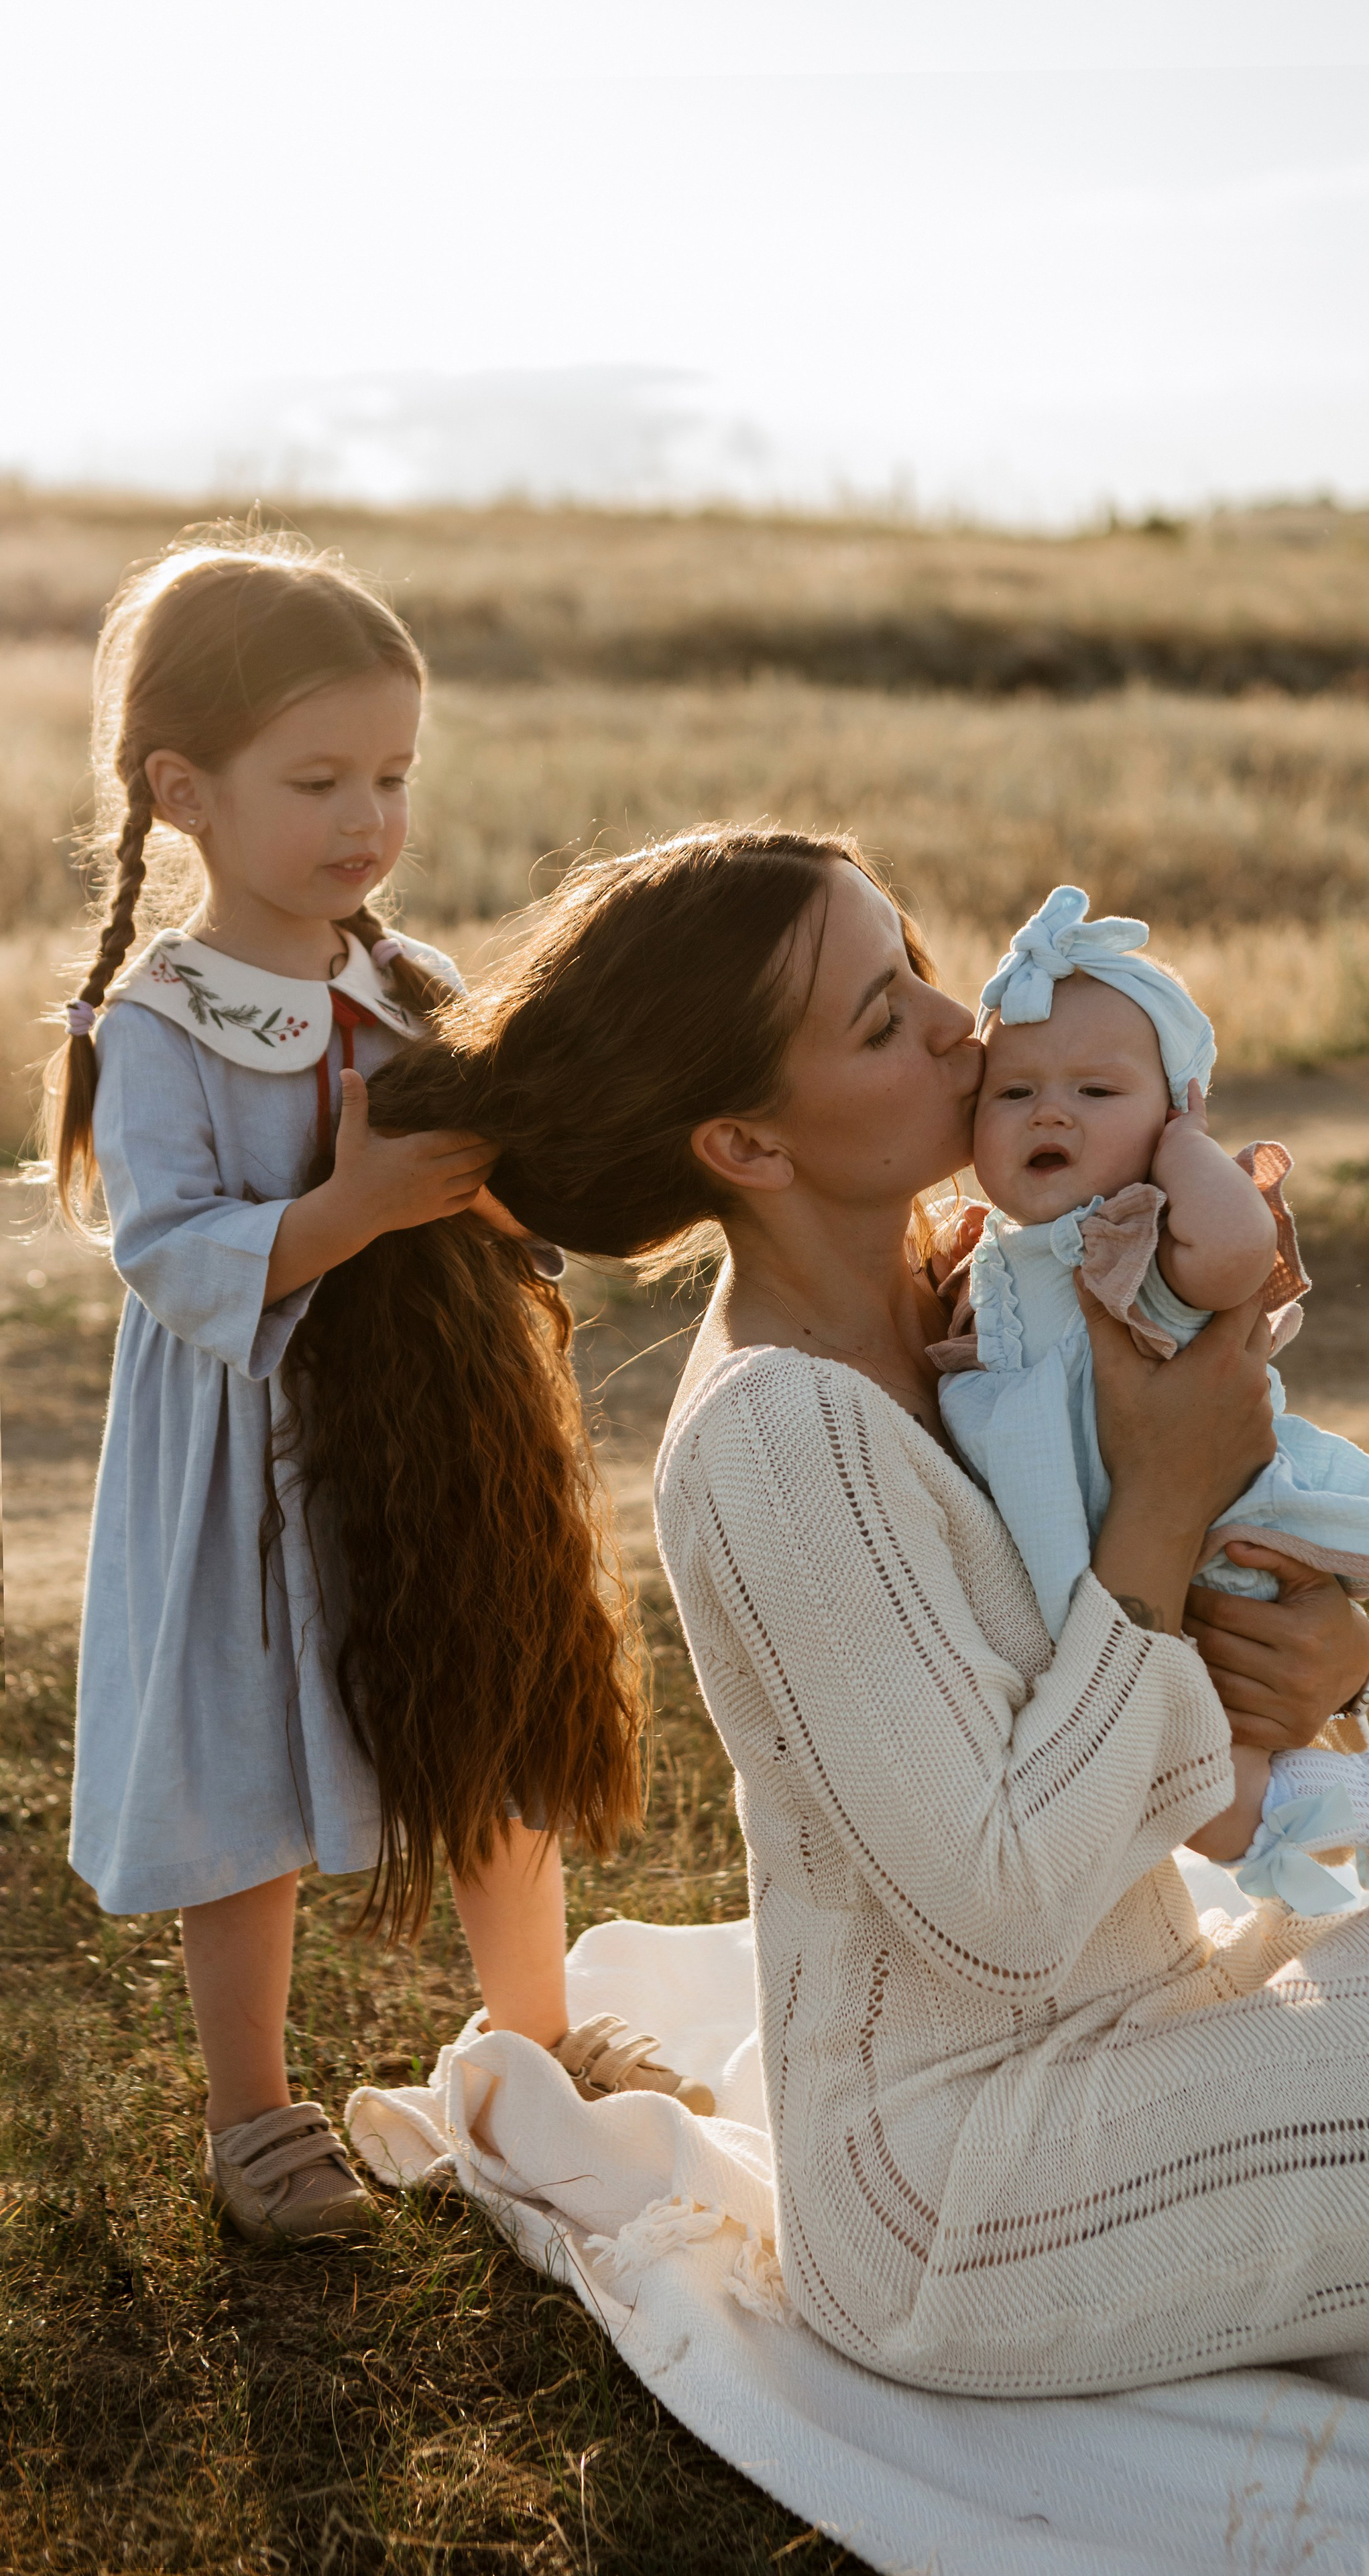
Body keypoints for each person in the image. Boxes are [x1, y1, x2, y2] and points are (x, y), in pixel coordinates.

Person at [344, 825, 1369, 2550]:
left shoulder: (975, 1315)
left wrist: (1319, 1666)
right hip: (969, 2192)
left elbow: (1171, 1672)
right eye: (876, 1018)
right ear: (744, 1142)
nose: (953, 1021)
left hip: (1138, 2012)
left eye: (915, 961)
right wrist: (1154, 1505)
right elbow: (997, 1908)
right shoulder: (781, 1441)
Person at [42, 533, 707, 2247]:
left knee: (489, 1717)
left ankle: (535, 2035)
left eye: (393, 776)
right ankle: (253, 2114)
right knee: (241, 1771)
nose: (366, 818)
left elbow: (501, 1173)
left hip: (434, 1438)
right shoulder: (162, 1020)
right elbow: (172, 1250)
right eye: (318, 777)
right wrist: (341, 1209)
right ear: (181, 788)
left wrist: (502, 1182)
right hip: (252, 1463)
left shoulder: (402, 988)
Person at [930, 883, 1369, 1916]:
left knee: (1184, 1779)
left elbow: (1234, 1256)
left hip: (1198, 1546)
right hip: (1101, 1565)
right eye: (1015, 1092)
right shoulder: (987, 1255)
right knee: (1186, 1791)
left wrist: (1185, 1148)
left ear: (1174, 1112)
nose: (1050, 1111)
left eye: (1097, 1092)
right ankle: (1364, 1806)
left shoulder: (1143, 1227)